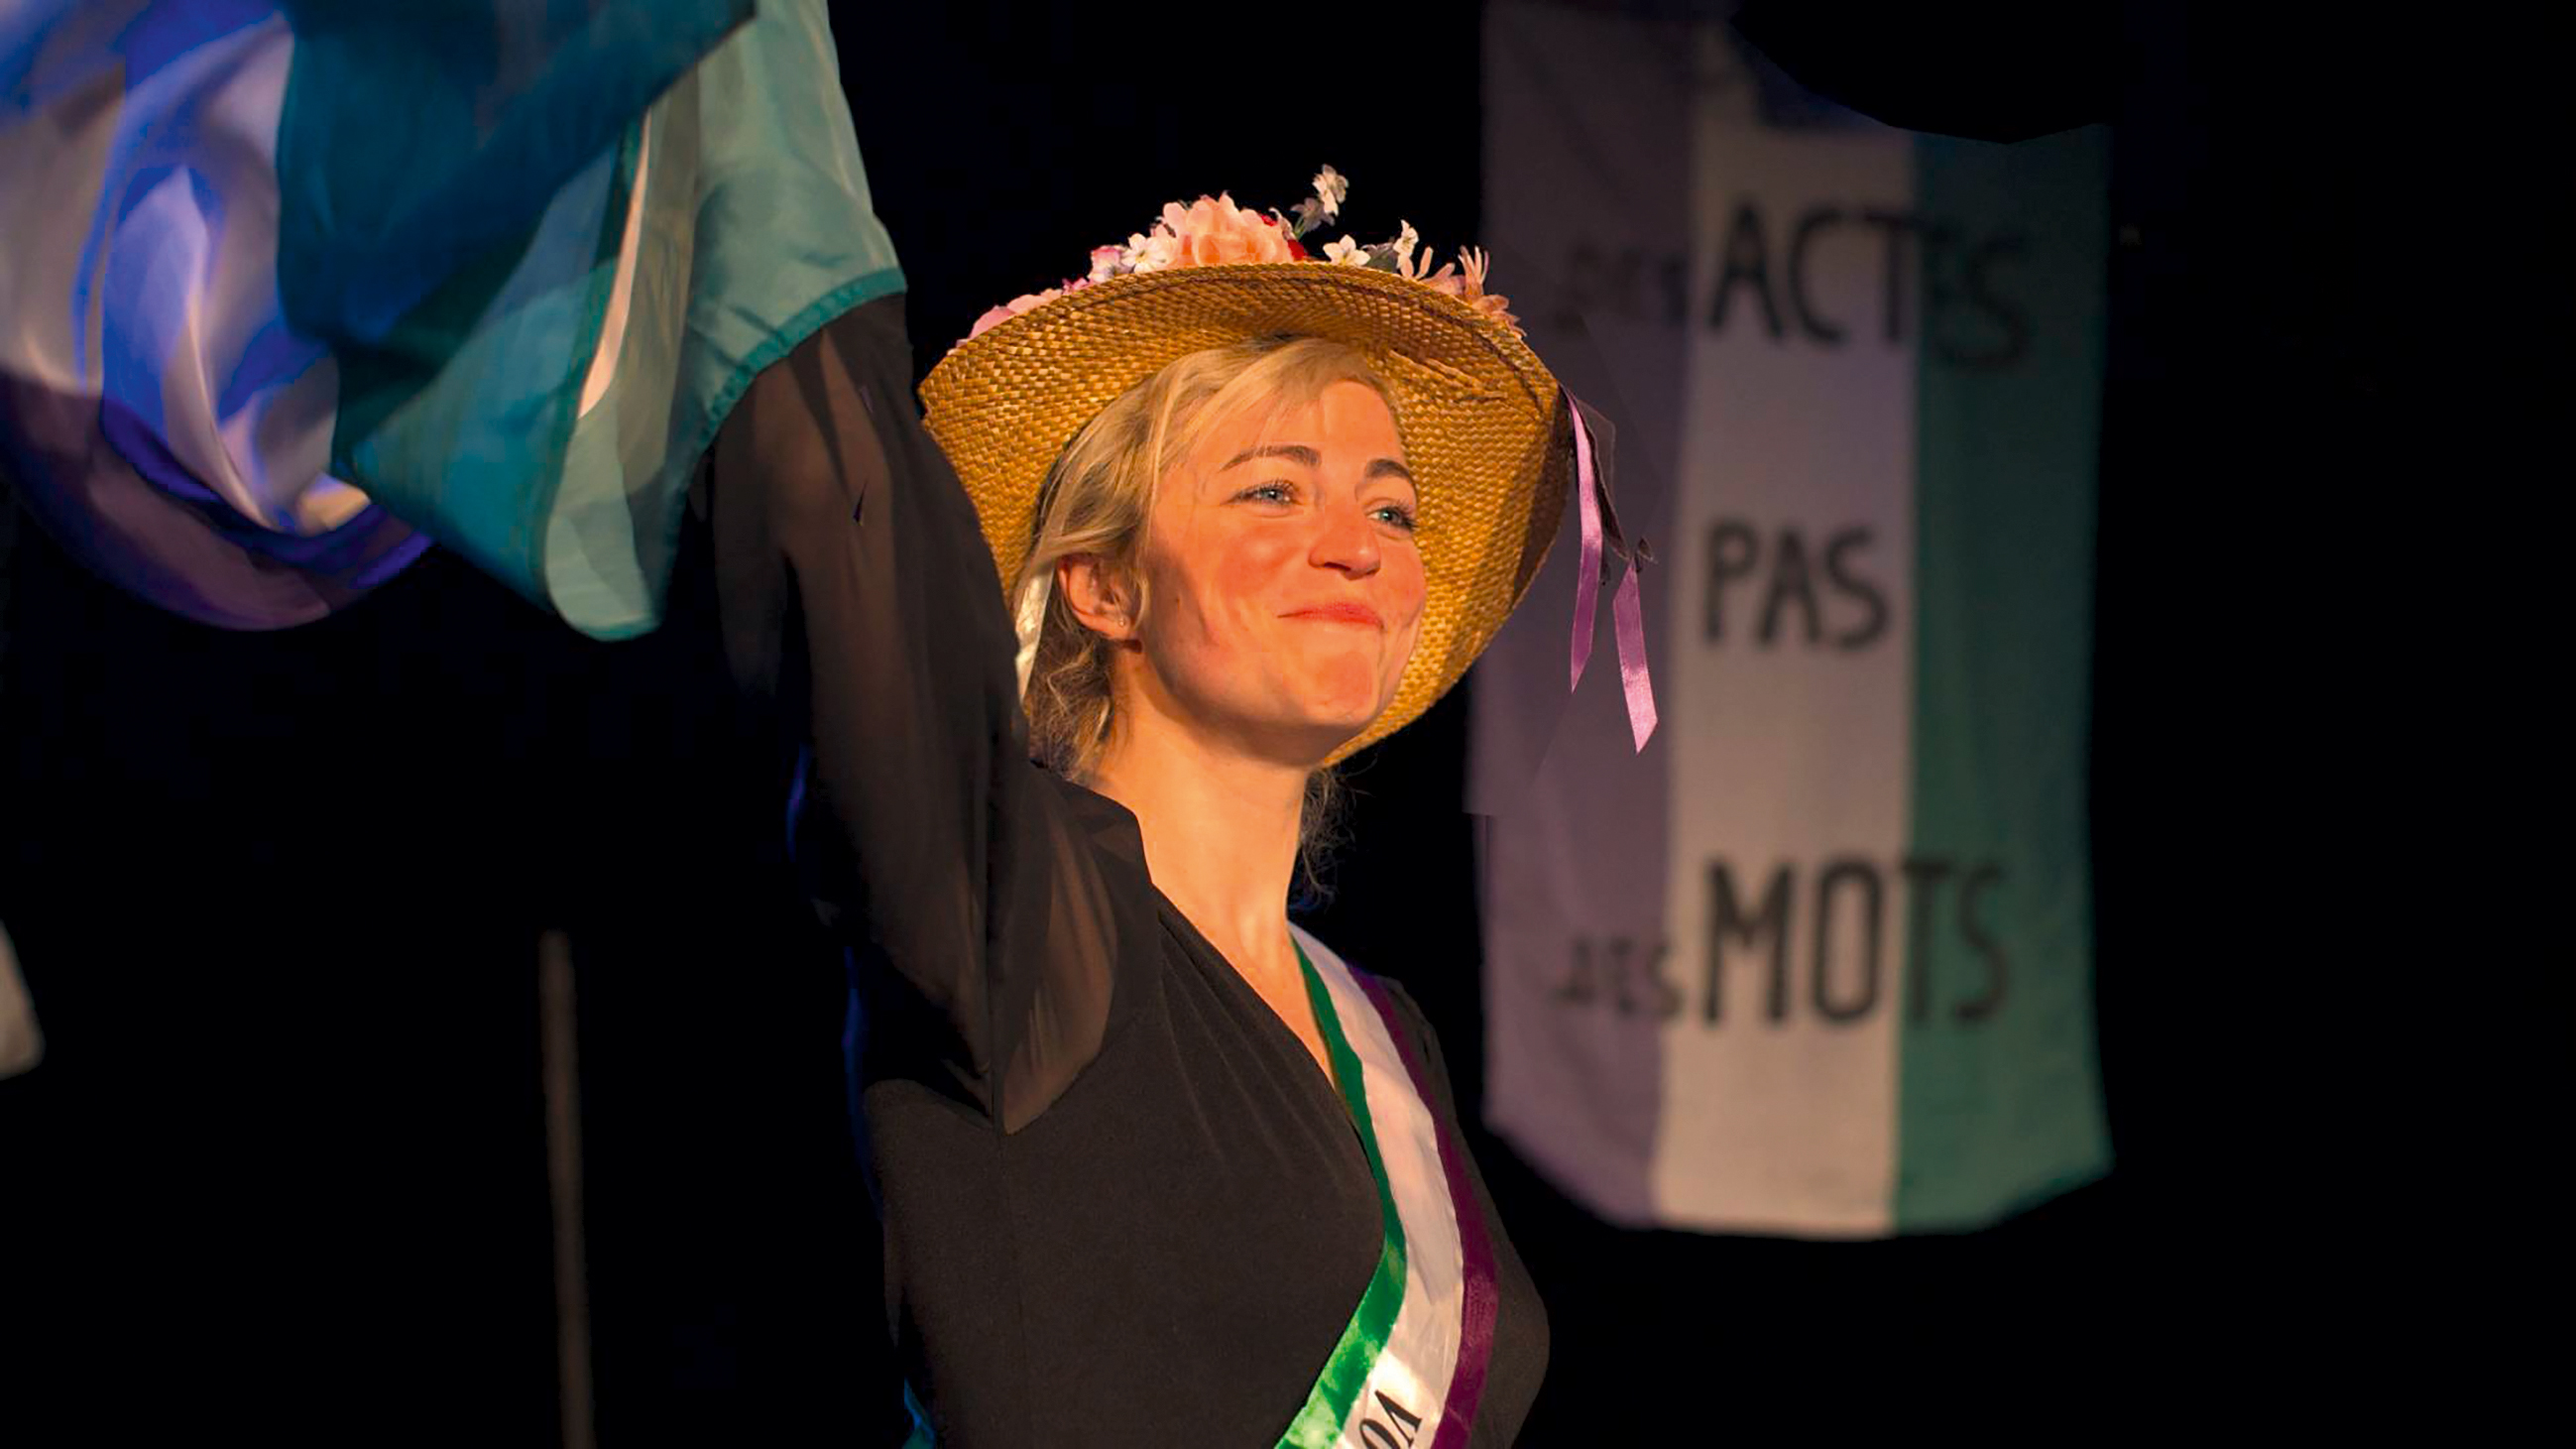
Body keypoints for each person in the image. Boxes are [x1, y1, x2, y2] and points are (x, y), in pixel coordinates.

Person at [698, 174, 1645, 1446]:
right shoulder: (1014, 908)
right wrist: (759, 161)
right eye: (1273, 492)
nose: (1359, 545)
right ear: (1100, 585)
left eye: (1391, 507)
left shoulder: (1384, 1029)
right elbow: (833, 523)